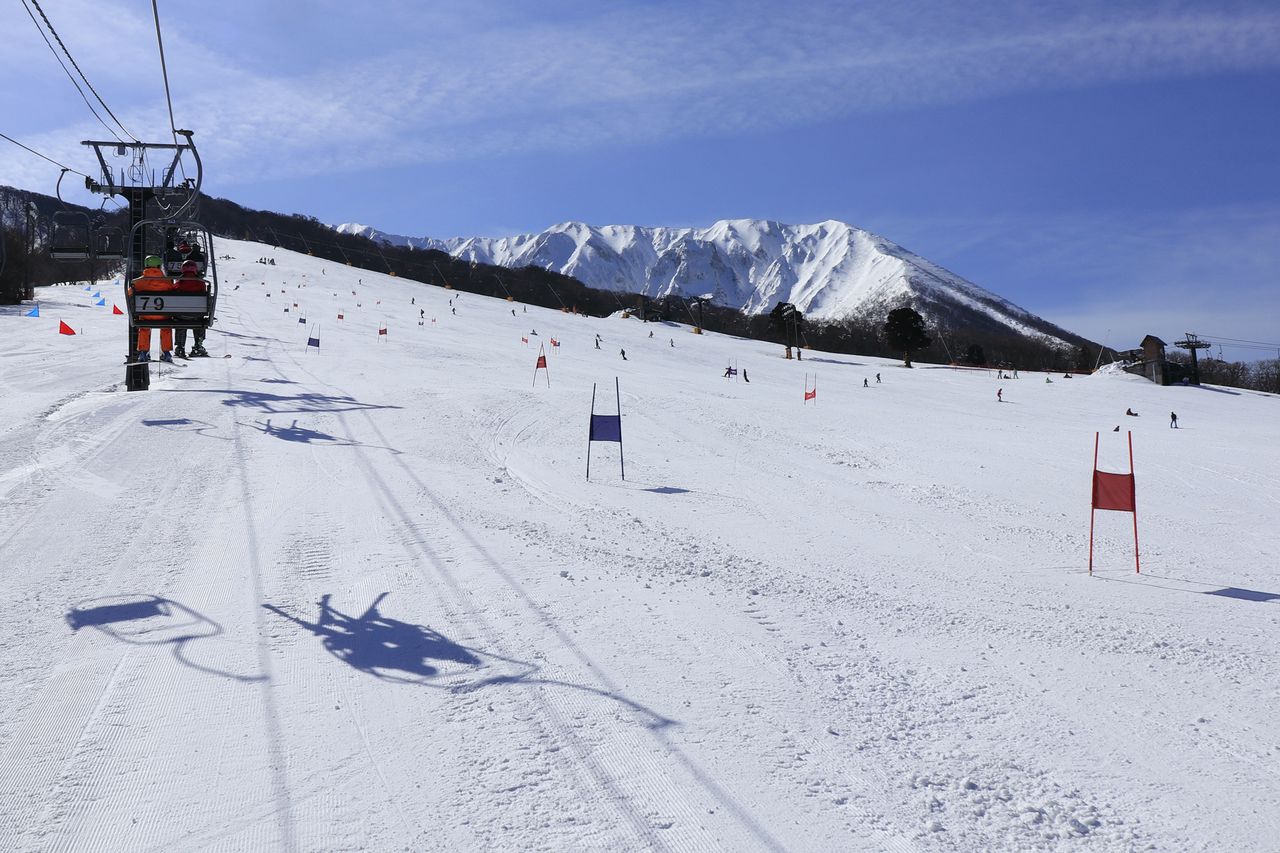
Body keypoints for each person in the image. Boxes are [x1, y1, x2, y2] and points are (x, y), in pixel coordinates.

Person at [130, 255, 175, 362]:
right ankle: (166, 352)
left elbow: (129, 293)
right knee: (166, 326)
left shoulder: (138, 282)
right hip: (164, 316)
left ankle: (143, 352)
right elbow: (174, 292)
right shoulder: (167, 282)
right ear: (159, 266)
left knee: (144, 327)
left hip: (146, 315)